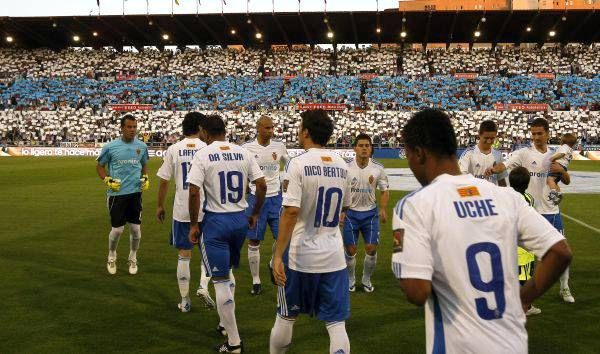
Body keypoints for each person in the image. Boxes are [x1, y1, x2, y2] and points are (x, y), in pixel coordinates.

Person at [392, 109, 572, 353]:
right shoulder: (507, 197)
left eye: (408, 156)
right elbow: (560, 252)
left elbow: (416, 291)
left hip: (458, 346)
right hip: (512, 344)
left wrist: (402, 263)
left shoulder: (416, 205)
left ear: (418, 153)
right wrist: (523, 297)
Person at [270, 110, 351, 354]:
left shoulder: (299, 163)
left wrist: (277, 255)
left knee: (286, 316)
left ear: (306, 132)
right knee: (337, 324)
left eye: (299, 127)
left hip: (300, 256)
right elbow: (344, 205)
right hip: (334, 256)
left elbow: (291, 212)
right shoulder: (341, 164)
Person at [187, 114, 266, 353]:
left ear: (205, 133)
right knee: (228, 273)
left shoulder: (203, 154)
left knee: (220, 280)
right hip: (240, 218)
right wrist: (254, 213)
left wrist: (193, 224)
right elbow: (261, 185)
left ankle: (234, 342)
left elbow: (193, 191)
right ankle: (224, 323)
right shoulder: (243, 152)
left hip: (216, 221)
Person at [486, 118, 575, 303]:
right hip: (530, 212)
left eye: (539, 133)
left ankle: (564, 287)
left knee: (561, 251)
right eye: (533, 133)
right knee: (523, 258)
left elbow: (566, 180)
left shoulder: (555, 155)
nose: (535, 137)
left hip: (551, 210)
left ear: (548, 133)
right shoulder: (523, 153)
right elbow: (506, 165)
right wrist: (496, 169)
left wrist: (561, 170)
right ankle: (518, 294)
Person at [156, 112, 215, 312]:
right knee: (209, 252)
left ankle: (185, 300)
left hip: (182, 209)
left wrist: (159, 205)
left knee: (184, 254)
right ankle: (203, 286)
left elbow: (164, 180)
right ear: (200, 127)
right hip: (207, 208)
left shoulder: (174, 149)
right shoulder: (207, 148)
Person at [96, 114, 149, 275]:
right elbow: (100, 166)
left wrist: (146, 177)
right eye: (129, 127)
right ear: (122, 128)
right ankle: (112, 255)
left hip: (135, 193)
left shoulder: (142, 146)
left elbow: (144, 164)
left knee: (135, 230)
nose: (132, 130)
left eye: (134, 127)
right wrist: (107, 180)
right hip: (116, 194)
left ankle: (133, 257)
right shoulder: (110, 147)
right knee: (117, 230)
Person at [242, 115, 289, 296]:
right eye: (267, 128)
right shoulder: (247, 148)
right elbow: (242, 168)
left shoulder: (279, 146)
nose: (271, 131)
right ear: (258, 128)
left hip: (276, 198)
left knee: (282, 238)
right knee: (254, 240)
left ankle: (272, 263)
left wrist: (287, 178)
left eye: (272, 128)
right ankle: (256, 280)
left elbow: (290, 163)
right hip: (256, 198)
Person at [341, 133, 389, 293]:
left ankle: (366, 279)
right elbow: (340, 191)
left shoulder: (378, 168)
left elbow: (384, 191)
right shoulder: (345, 167)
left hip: (370, 214)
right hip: (350, 214)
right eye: (361, 145)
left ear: (371, 148)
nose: (364, 148)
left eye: (367, 146)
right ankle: (350, 279)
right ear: (355, 148)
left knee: (371, 248)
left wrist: (382, 209)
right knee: (350, 250)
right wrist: (341, 211)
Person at [509, 166, 541, 316]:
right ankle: (525, 307)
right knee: (525, 279)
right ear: (527, 184)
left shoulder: (505, 197)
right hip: (523, 248)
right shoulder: (529, 199)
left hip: (507, 245)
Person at [458, 120, 507, 186]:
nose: (489, 141)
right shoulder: (468, 154)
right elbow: (461, 178)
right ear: (479, 135)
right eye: (486, 138)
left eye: (492, 138)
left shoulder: (498, 155)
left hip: (491, 195)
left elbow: (501, 180)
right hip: (474, 195)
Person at [547, 133, 577, 205]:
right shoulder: (570, 149)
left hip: (558, 165)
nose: (560, 140)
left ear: (564, 141)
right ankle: (559, 193)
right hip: (563, 167)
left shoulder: (565, 146)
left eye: (561, 139)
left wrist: (553, 158)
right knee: (555, 181)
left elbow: (562, 154)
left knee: (550, 179)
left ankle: (553, 194)